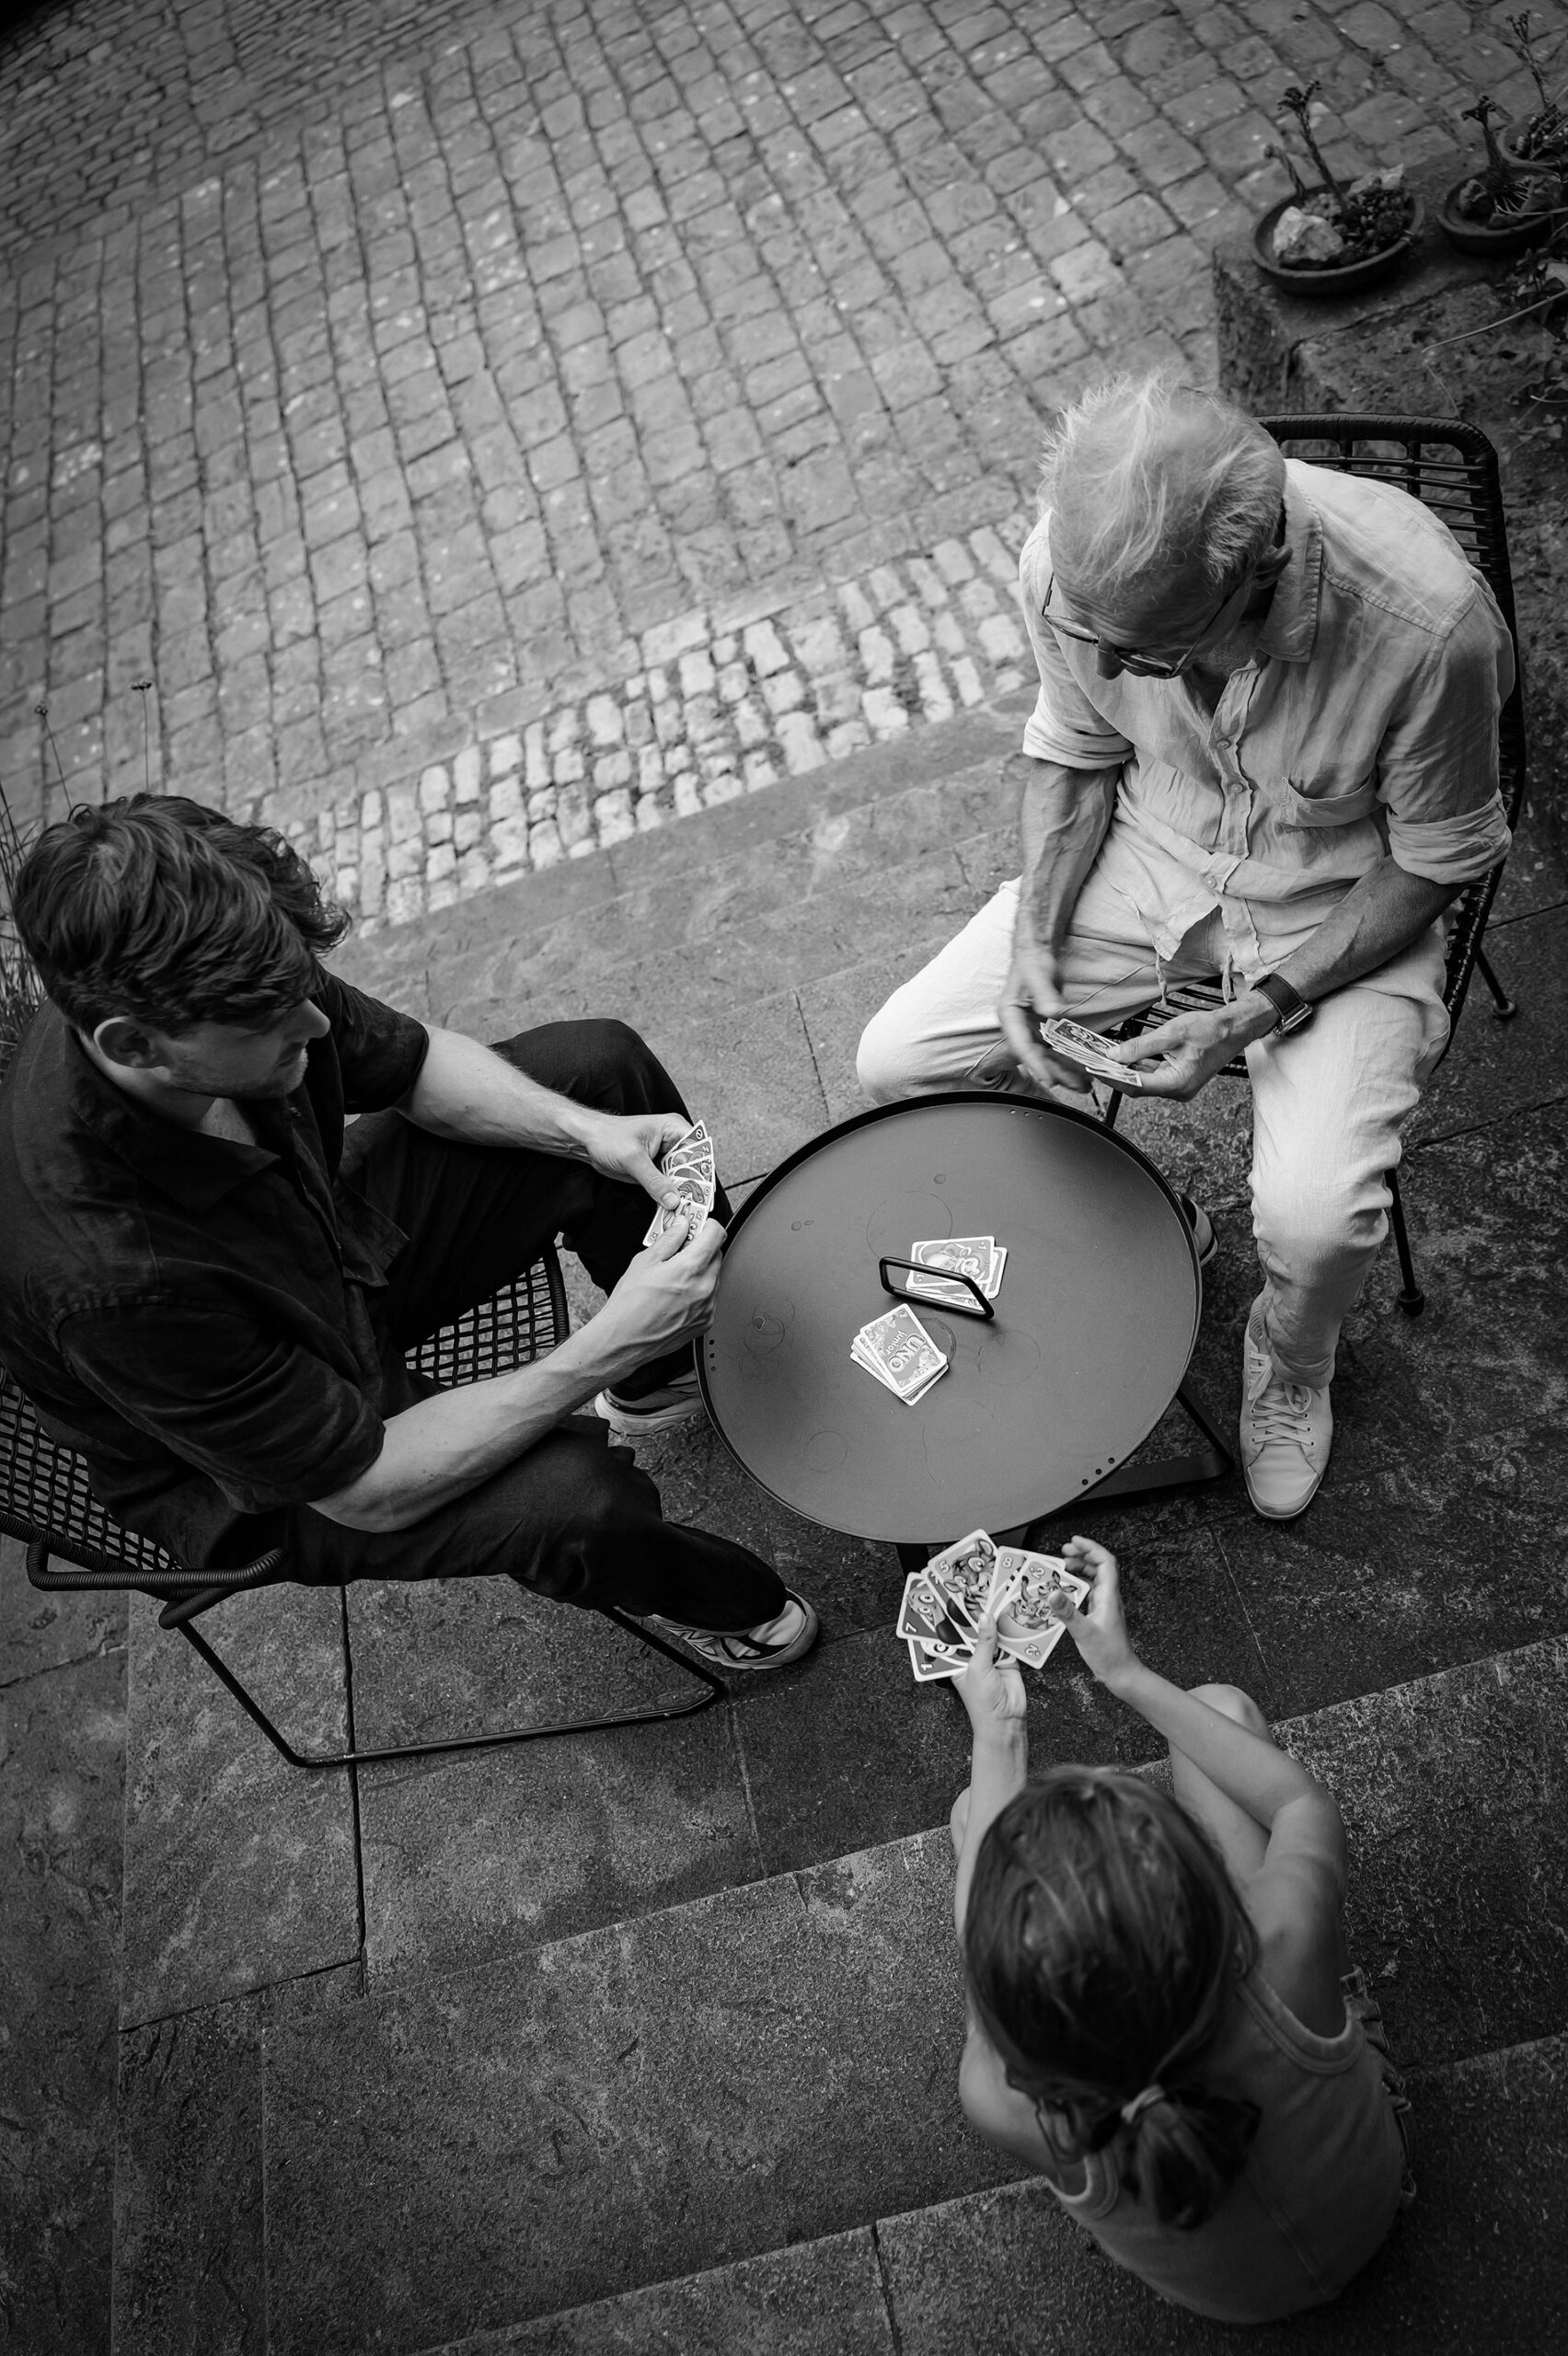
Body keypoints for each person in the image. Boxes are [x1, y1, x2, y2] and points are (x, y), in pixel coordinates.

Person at [857, 373, 1513, 1519]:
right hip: (1154, 847)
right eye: (1088, 636)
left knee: (1315, 1217)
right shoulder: (1073, 574)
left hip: (1340, 897)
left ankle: (1294, 1362)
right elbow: (1072, 749)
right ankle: (1152, 1218)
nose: (1109, 667)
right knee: (898, 1062)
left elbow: (1436, 861)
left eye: (1147, 655)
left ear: (1248, 584)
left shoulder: (1430, 628)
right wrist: (1035, 941)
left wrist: (1258, 1011)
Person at [0, 795, 818, 1672]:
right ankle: (732, 1605)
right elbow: (366, 1491)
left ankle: (661, 1379)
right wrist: (609, 1343)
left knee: (598, 1071)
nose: (316, 1028)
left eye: (301, 990)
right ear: (136, 1047)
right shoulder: (113, 1280)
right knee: (581, 1505)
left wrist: (586, 1132)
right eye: (275, 1024)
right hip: (274, 1469)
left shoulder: (219, 972)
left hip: (325, 1248)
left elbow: (415, 1060)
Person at [950, 1537, 1412, 2324]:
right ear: (1215, 1901)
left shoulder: (1000, 2103)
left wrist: (999, 1741)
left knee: (972, 1820)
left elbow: (981, 1961)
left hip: (1221, 2304)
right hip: (1382, 2195)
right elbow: (1300, 1807)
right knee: (1224, 1711)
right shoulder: (1284, 1946)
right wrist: (1124, 1674)